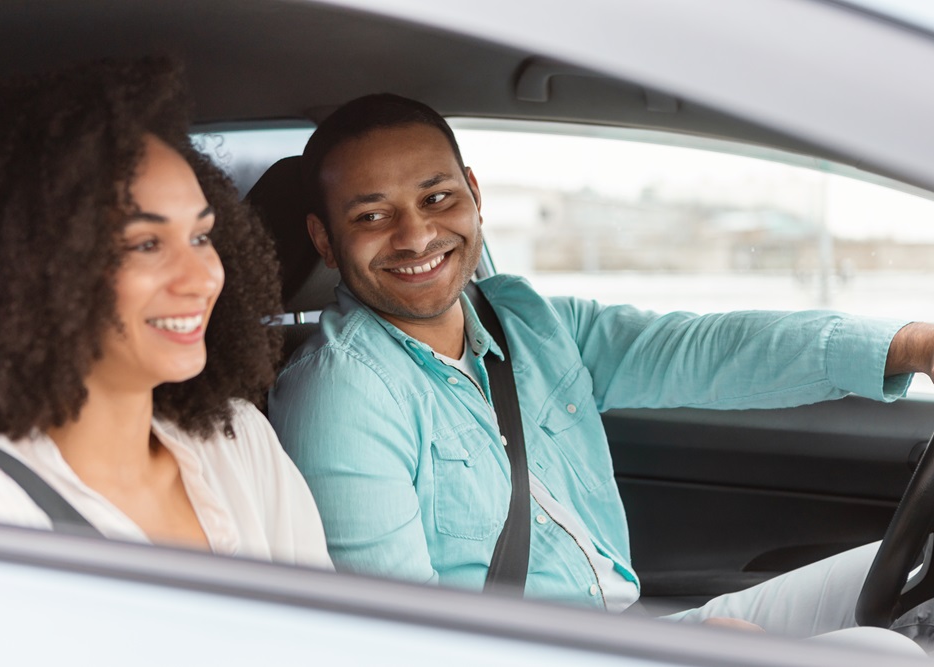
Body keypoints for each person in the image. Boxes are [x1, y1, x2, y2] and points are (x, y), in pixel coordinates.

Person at [268, 93, 934, 640]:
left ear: (473, 194)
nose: (415, 235)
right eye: (373, 215)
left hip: (623, 628)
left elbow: (705, 350)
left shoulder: (522, 319)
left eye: (437, 198)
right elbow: (402, 643)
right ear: (325, 240)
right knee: (888, 654)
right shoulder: (341, 392)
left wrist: (909, 345)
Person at [0, 58, 330, 567]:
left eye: (201, 236)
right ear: (28, 270)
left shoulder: (240, 441)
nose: (203, 277)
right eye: (145, 244)